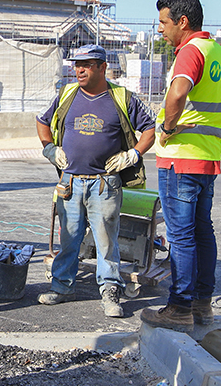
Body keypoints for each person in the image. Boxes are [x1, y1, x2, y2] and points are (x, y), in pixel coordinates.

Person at [36, 44, 155, 316]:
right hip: (71, 182)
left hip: (105, 183)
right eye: (77, 64)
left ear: (102, 67)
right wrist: (49, 148)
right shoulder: (66, 95)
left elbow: (149, 128)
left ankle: (110, 291)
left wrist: (133, 154)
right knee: (69, 237)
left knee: (106, 240)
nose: (79, 69)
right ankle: (62, 286)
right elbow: (42, 121)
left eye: (87, 64)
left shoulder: (122, 98)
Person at [140, 0, 221, 333]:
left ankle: (178, 307)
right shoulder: (218, 52)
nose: (160, 30)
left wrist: (165, 127)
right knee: (202, 232)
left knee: (181, 237)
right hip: (207, 157)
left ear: (182, 21)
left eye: (164, 22)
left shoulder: (190, 51)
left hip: (181, 158)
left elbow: (178, 92)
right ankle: (201, 304)